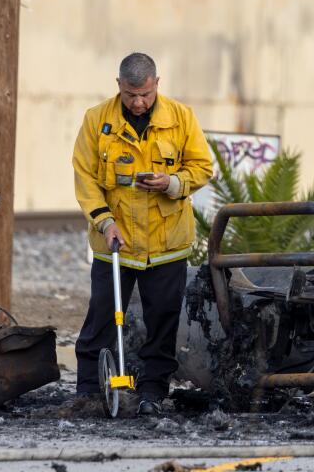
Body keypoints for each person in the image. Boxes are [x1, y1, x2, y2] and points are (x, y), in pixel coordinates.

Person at [72, 52, 213, 415]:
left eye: (145, 95)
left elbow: (202, 167)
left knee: (162, 322)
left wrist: (172, 182)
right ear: (118, 85)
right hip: (114, 242)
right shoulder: (95, 120)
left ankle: (153, 392)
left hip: (166, 247)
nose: (137, 103)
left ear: (156, 85)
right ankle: (88, 392)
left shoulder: (181, 118)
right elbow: (85, 178)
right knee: (100, 319)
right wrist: (105, 222)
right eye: (130, 94)